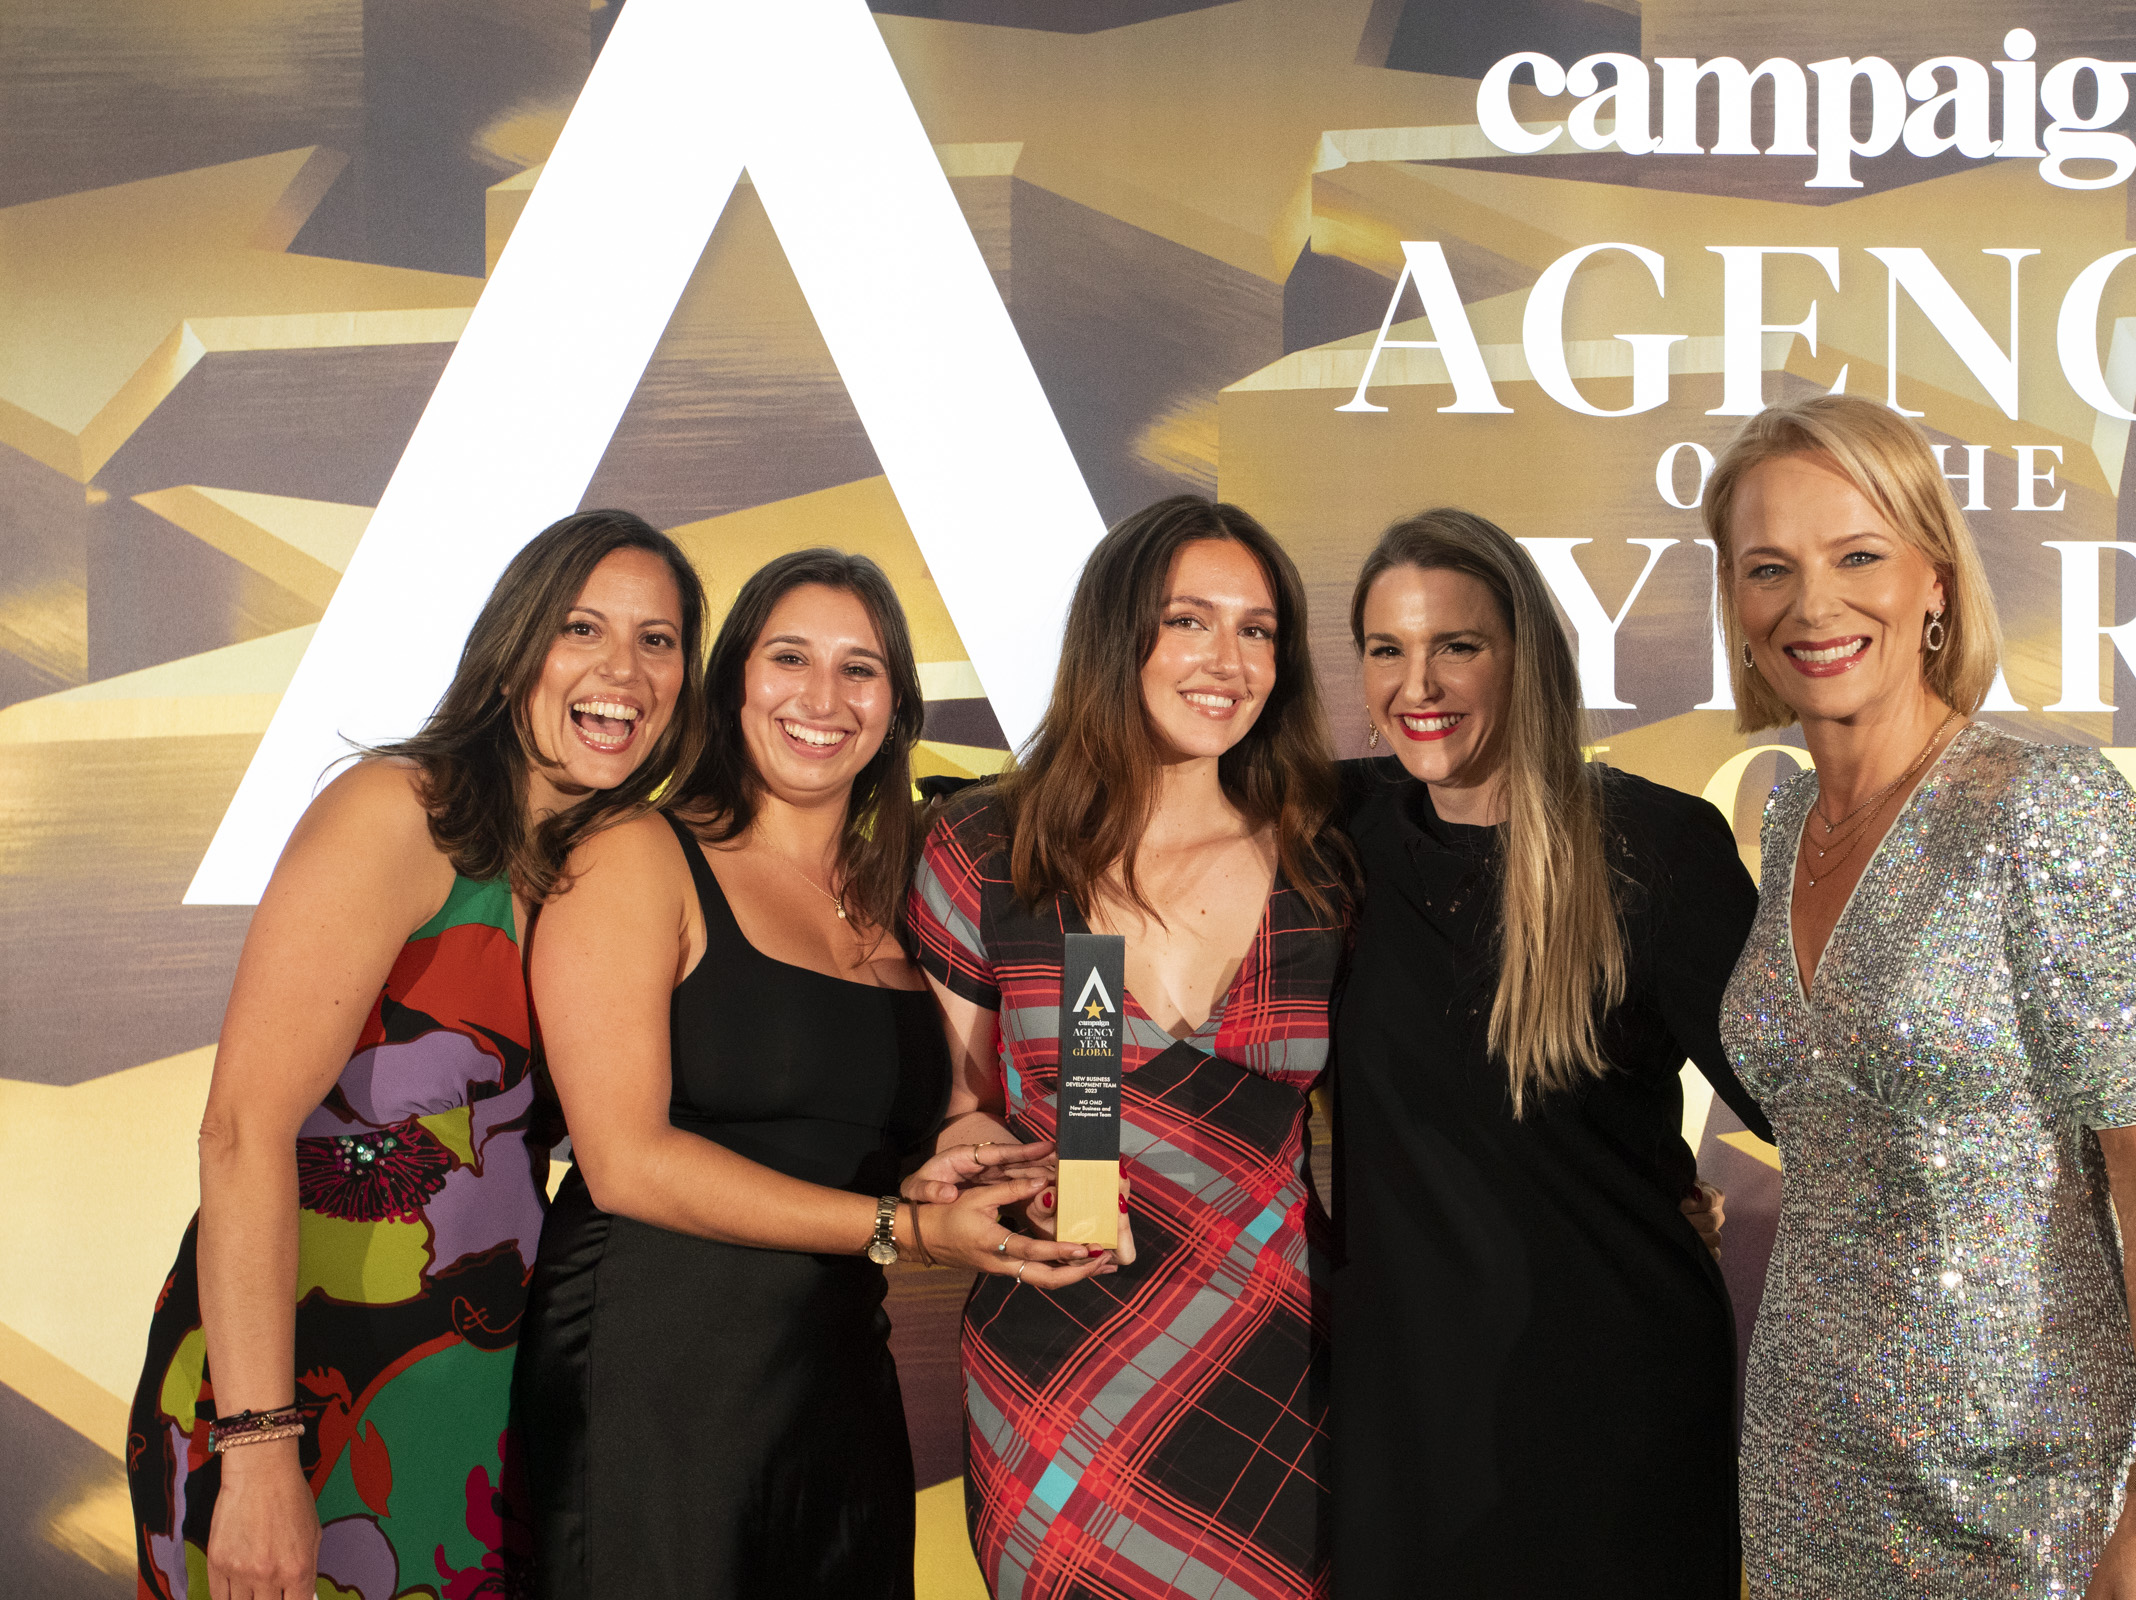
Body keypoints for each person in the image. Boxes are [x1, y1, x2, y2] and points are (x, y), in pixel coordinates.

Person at [126, 511, 707, 1600]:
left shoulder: (611, 871)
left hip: (475, 1389)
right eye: (582, 628)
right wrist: (258, 1451)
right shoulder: (399, 811)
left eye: (658, 640)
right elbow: (240, 1132)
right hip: (295, 1381)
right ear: (515, 649)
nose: (623, 671)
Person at [513, 548, 1102, 1600]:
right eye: (790, 658)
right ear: (733, 680)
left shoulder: (902, 899)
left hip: (837, 1377)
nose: (822, 699)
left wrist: (995, 1173)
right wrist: (903, 1229)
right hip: (654, 1380)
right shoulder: (635, 855)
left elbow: (943, 1120)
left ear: (896, 707)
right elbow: (624, 1163)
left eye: (859, 669)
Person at [1708, 394, 2136, 1599]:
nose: (1813, 604)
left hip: (2027, 1494)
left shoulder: (2046, 806)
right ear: (1735, 600)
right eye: (1770, 567)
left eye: (1858, 556)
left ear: (1934, 580)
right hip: (1802, 1469)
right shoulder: (1788, 819)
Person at [900, 495, 1349, 1600]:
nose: (1227, 660)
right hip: (1059, 1359)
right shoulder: (986, 846)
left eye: (1257, 629)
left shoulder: (1327, 864)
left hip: (1278, 1361)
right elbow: (956, 1103)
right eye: (1189, 619)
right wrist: (988, 1165)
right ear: (1118, 633)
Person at [1326, 508, 1773, 1598]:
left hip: (1614, 1403)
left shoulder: (1657, 846)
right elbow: (1103, 816)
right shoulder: (1334, 828)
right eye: (1387, 649)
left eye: (1456, 646)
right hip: (1403, 1411)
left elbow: (1799, 1097)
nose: (1417, 685)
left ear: (1526, 655)